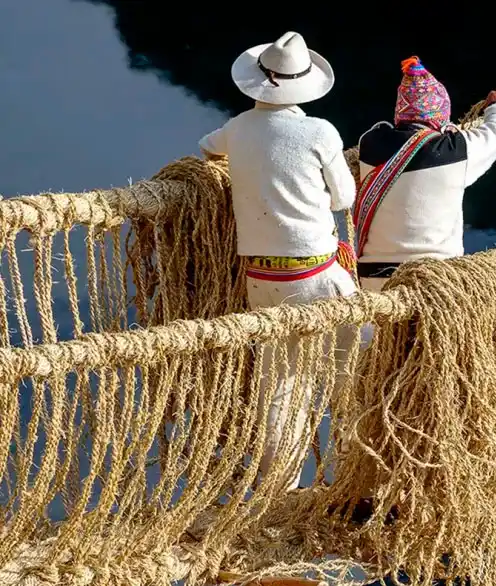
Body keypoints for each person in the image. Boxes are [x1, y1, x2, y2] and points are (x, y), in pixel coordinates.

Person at [198, 31, 358, 491]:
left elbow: (206, 149)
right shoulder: (319, 131)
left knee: (281, 380)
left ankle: (279, 486)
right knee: (368, 353)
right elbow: (343, 199)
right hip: (315, 272)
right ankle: (352, 472)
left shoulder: (238, 128)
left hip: (260, 277)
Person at [352, 56, 496, 292]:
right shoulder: (454, 150)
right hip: (434, 281)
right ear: (441, 116)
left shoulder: (370, 143)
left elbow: (387, 130)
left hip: (374, 281)